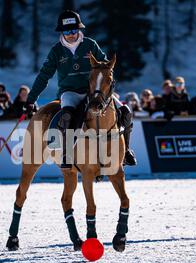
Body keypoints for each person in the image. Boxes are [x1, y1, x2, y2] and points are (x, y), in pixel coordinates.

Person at [23, 10, 137, 168]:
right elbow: (44, 76)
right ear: (62, 32)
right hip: (70, 92)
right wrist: (31, 99)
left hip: (94, 92)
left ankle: (126, 152)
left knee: (125, 111)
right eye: (67, 31)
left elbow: (105, 67)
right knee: (68, 115)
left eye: (74, 30)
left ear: (79, 29)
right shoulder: (56, 51)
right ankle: (66, 154)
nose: (71, 34)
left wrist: (106, 87)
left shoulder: (90, 44)